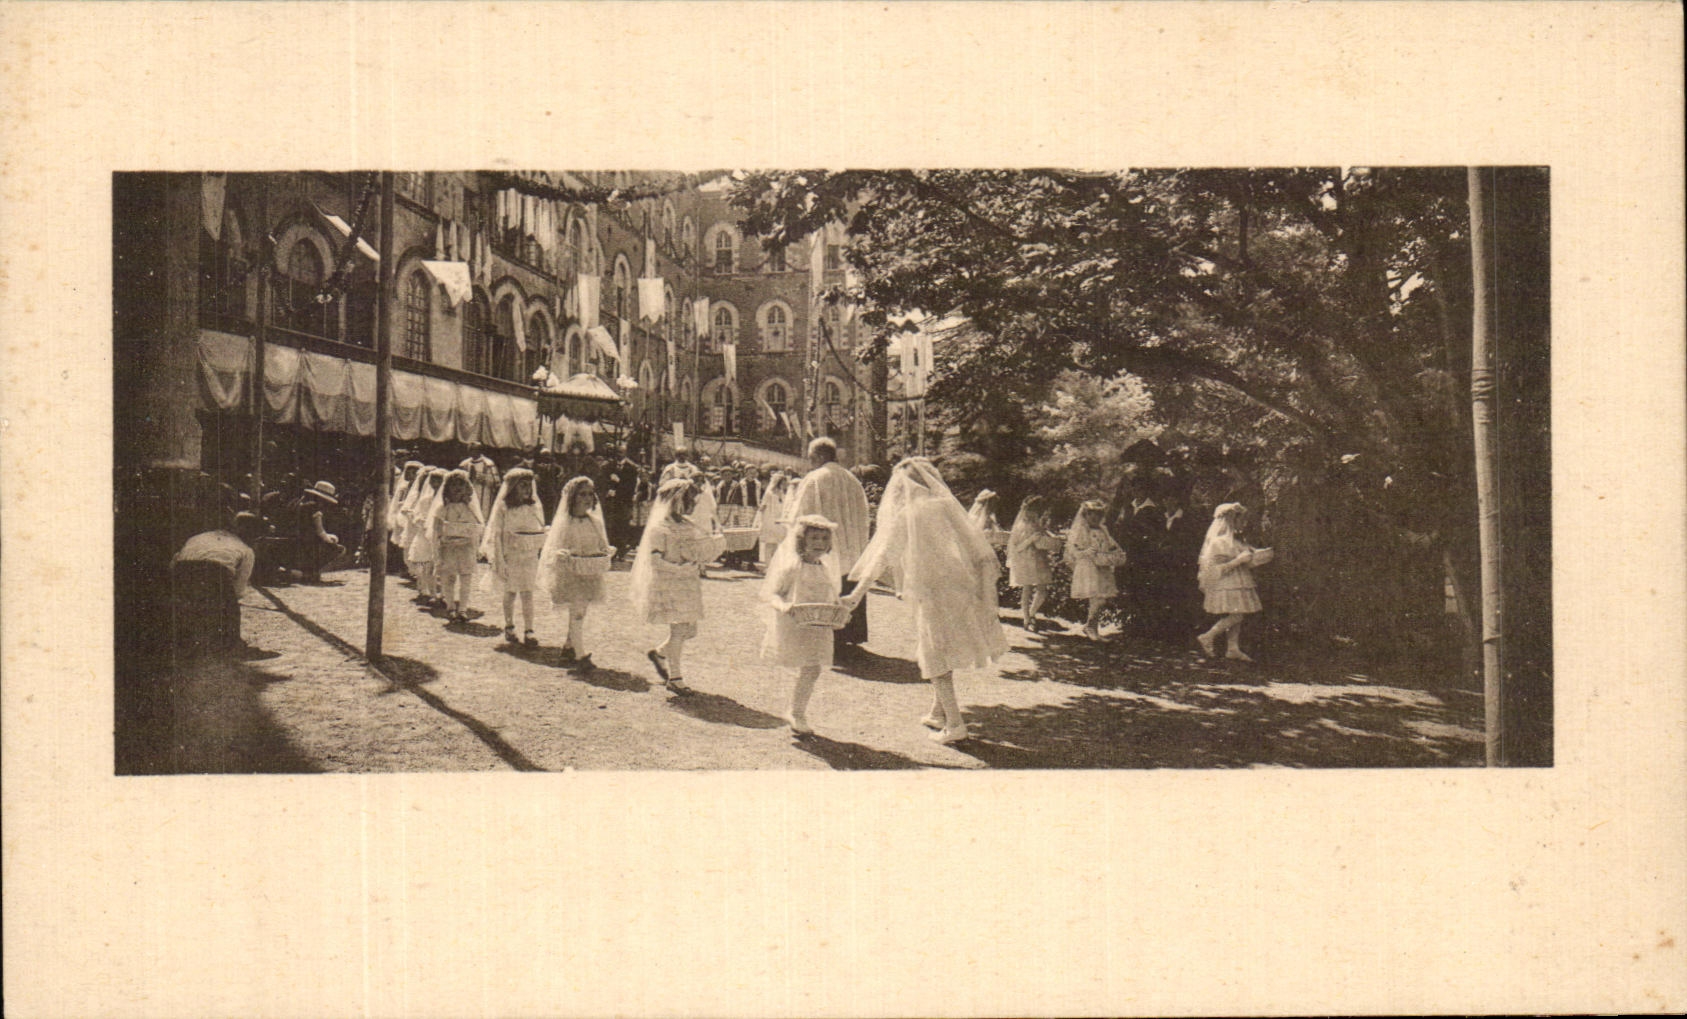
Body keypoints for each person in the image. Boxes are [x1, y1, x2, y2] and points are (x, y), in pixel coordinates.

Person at [844, 458, 1008, 744]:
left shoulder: (906, 515)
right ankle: (938, 711)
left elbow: (884, 557)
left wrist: (856, 593)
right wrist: (982, 590)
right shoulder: (947, 506)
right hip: (961, 587)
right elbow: (978, 550)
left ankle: (955, 724)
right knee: (941, 647)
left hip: (932, 593)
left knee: (934, 654)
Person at [631, 476, 724, 694]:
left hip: (688, 582)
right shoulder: (659, 528)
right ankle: (675, 676)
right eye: (689, 500)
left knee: (690, 629)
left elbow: (696, 549)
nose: (692, 505)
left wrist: (714, 545)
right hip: (670, 583)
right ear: (676, 500)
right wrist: (680, 569)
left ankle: (660, 653)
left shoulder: (688, 525)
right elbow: (655, 561)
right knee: (679, 628)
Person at [762, 514, 844, 735]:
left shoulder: (824, 568)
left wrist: (839, 611)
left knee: (813, 668)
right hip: (796, 624)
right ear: (802, 540)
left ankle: (796, 711)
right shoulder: (793, 568)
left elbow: (831, 596)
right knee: (806, 666)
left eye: (824, 539)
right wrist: (784, 607)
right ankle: (796, 711)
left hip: (818, 626)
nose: (819, 544)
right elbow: (774, 595)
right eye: (814, 538)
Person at [789, 436, 872, 645]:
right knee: (848, 584)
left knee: (827, 586)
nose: (810, 462)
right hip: (852, 545)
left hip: (825, 545)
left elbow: (801, 513)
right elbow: (864, 515)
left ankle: (827, 636)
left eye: (811, 458)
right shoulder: (852, 480)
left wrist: (795, 538)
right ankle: (851, 634)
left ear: (820, 456)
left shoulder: (815, 478)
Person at [537, 476, 614, 670]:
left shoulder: (595, 522)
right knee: (577, 611)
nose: (587, 498)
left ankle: (569, 646)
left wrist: (607, 550)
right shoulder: (565, 522)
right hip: (571, 573)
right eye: (582, 494)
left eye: (590, 494)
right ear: (573, 497)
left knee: (580, 611)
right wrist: (560, 553)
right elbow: (554, 547)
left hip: (589, 571)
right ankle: (580, 655)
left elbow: (601, 544)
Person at [169, 511, 263, 657]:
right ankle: (229, 644)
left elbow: (175, 560)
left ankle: (181, 639)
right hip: (215, 573)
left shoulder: (199, 537)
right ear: (252, 535)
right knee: (229, 610)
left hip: (181, 571)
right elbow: (238, 588)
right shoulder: (246, 549)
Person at [480, 467, 547, 646]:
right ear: (512, 487)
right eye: (522, 485)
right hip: (511, 555)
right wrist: (499, 558)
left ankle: (529, 629)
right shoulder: (503, 507)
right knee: (510, 591)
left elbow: (538, 527)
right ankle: (509, 625)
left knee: (528, 592)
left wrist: (542, 534)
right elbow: (497, 533)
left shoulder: (533, 506)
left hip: (529, 554)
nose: (527, 489)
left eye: (529, 485)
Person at [1196, 502, 1266, 661]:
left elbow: (1247, 559)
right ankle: (1208, 636)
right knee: (1237, 615)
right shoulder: (1218, 542)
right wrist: (1238, 561)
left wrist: (1256, 557)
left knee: (1237, 613)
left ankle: (1232, 648)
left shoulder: (1236, 541)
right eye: (1241, 520)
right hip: (1226, 583)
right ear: (1231, 520)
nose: (1244, 523)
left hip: (1238, 581)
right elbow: (1213, 569)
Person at [428, 469, 484, 624]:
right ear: (447, 489)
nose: (457, 489)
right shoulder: (442, 509)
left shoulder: (470, 509)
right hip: (448, 548)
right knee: (449, 578)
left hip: (466, 548)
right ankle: (451, 606)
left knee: (466, 579)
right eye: (454, 485)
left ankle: (463, 609)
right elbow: (436, 533)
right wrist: (436, 551)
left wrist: (476, 547)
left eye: (461, 485)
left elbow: (475, 529)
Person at [1066, 499, 1126, 642]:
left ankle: (1091, 626)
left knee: (1101, 598)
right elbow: (1074, 551)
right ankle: (1091, 628)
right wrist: (1088, 552)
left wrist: (1115, 552)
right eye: (1091, 515)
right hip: (1089, 567)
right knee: (1096, 596)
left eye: (1098, 515)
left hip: (1102, 566)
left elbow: (1112, 545)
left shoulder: (1103, 530)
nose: (1095, 518)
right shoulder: (1081, 531)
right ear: (1085, 515)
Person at [1006, 494, 1059, 632]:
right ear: (1026, 510)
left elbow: (1045, 540)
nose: (1035, 514)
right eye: (1032, 510)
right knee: (1027, 588)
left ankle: (1032, 613)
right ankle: (1026, 618)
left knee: (1042, 589)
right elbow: (1016, 547)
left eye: (1037, 511)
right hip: (1026, 559)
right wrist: (1031, 539)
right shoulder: (1021, 526)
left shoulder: (1038, 525)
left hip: (1040, 558)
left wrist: (1049, 537)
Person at [285, 480, 346, 583]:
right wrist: (332, 539)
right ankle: (310, 571)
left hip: (292, 540)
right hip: (306, 544)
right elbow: (320, 532)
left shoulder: (296, 503)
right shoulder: (314, 508)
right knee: (338, 548)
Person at [756, 471, 792, 568]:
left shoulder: (783, 494)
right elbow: (762, 507)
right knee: (769, 543)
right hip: (770, 520)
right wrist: (761, 520)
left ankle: (774, 566)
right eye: (784, 482)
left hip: (779, 521)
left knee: (777, 544)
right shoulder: (769, 493)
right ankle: (768, 566)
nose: (785, 484)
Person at [460, 442, 501, 520]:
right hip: (468, 495)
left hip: (484, 496)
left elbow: (497, 483)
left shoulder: (489, 464)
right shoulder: (464, 464)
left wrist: (481, 477)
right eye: (470, 450)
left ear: (479, 451)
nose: (472, 452)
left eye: (474, 450)